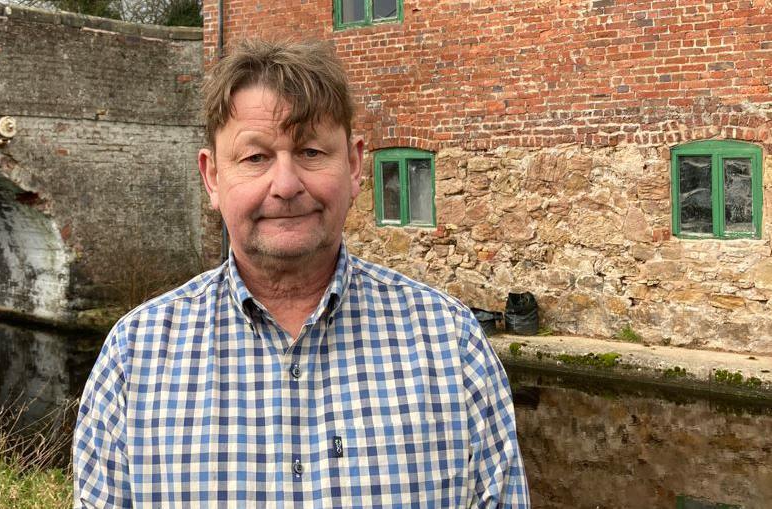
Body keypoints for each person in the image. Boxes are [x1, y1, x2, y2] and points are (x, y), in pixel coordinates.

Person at [73, 38, 530, 508]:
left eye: (311, 152)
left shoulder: (451, 344)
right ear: (212, 177)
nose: (287, 185)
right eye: (256, 157)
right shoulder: (135, 357)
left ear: (353, 166)